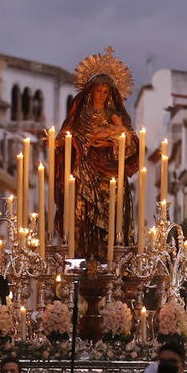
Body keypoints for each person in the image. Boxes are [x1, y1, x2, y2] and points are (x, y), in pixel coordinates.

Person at [56, 48, 140, 262]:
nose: (101, 95)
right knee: (80, 217)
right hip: (83, 173)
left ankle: (108, 261)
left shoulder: (115, 117)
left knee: (110, 219)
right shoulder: (79, 116)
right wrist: (57, 143)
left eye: (105, 92)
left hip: (109, 177)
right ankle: (80, 258)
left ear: (111, 94)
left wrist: (112, 142)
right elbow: (67, 139)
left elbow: (131, 146)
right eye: (98, 91)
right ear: (91, 91)